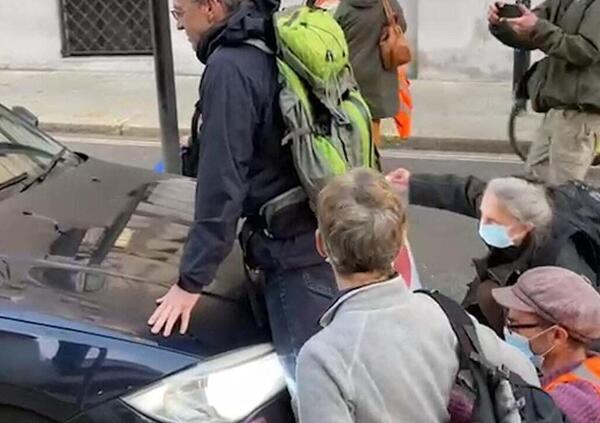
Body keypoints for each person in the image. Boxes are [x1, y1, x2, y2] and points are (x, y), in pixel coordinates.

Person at [149, 0, 338, 383]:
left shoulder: (229, 66)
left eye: (180, 12)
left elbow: (222, 186)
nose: (180, 26)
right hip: (315, 239)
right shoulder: (266, 35)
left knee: (313, 388)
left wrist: (190, 282)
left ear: (211, 7)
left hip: (292, 258)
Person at [296, 168, 539, 423]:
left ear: (321, 244)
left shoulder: (322, 357)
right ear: (402, 237)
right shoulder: (443, 315)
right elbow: (524, 374)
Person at [386, 168, 596, 336]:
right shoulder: (505, 205)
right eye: (483, 216)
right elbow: (470, 191)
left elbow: (586, 325)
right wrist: (413, 184)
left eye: (492, 221)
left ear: (525, 227)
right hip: (511, 279)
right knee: (487, 295)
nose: (483, 225)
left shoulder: (562, 265)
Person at [488, 0, 600, 185]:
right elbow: (532, 29)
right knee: (533, 191)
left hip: (582, 116)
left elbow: (587, 51)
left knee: (562, 196)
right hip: (557, 109)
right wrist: (504, 23)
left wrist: (538, 27)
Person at [493, 266, 600, 423]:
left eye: (514, 326)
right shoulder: (588, 369)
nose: (507, 332)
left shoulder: (569, 404)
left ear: (557, 335)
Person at [335, 0, 407, 146]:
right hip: (378, 73)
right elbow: (402, 26)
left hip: (351, 74)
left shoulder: (346, 6)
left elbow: (335, 33)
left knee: (350, 121)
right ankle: (371, 162)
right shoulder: (387, 3)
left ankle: (355, 161)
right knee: (373, 123)